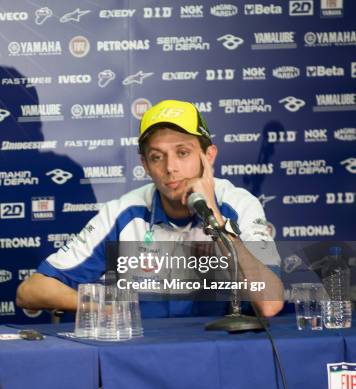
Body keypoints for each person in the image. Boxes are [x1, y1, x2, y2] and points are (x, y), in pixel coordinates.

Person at [16, 100, 285, 318]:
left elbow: (270, 304)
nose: (170, 168)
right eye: (157, 157)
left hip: (221, 358)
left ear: (209, 156)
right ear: (145, 164)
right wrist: (106, 310)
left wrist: (213, 215)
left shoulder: (238, 205)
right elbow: (31, 291)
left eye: (183, 153)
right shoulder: (123, 213)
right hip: (141, 360)